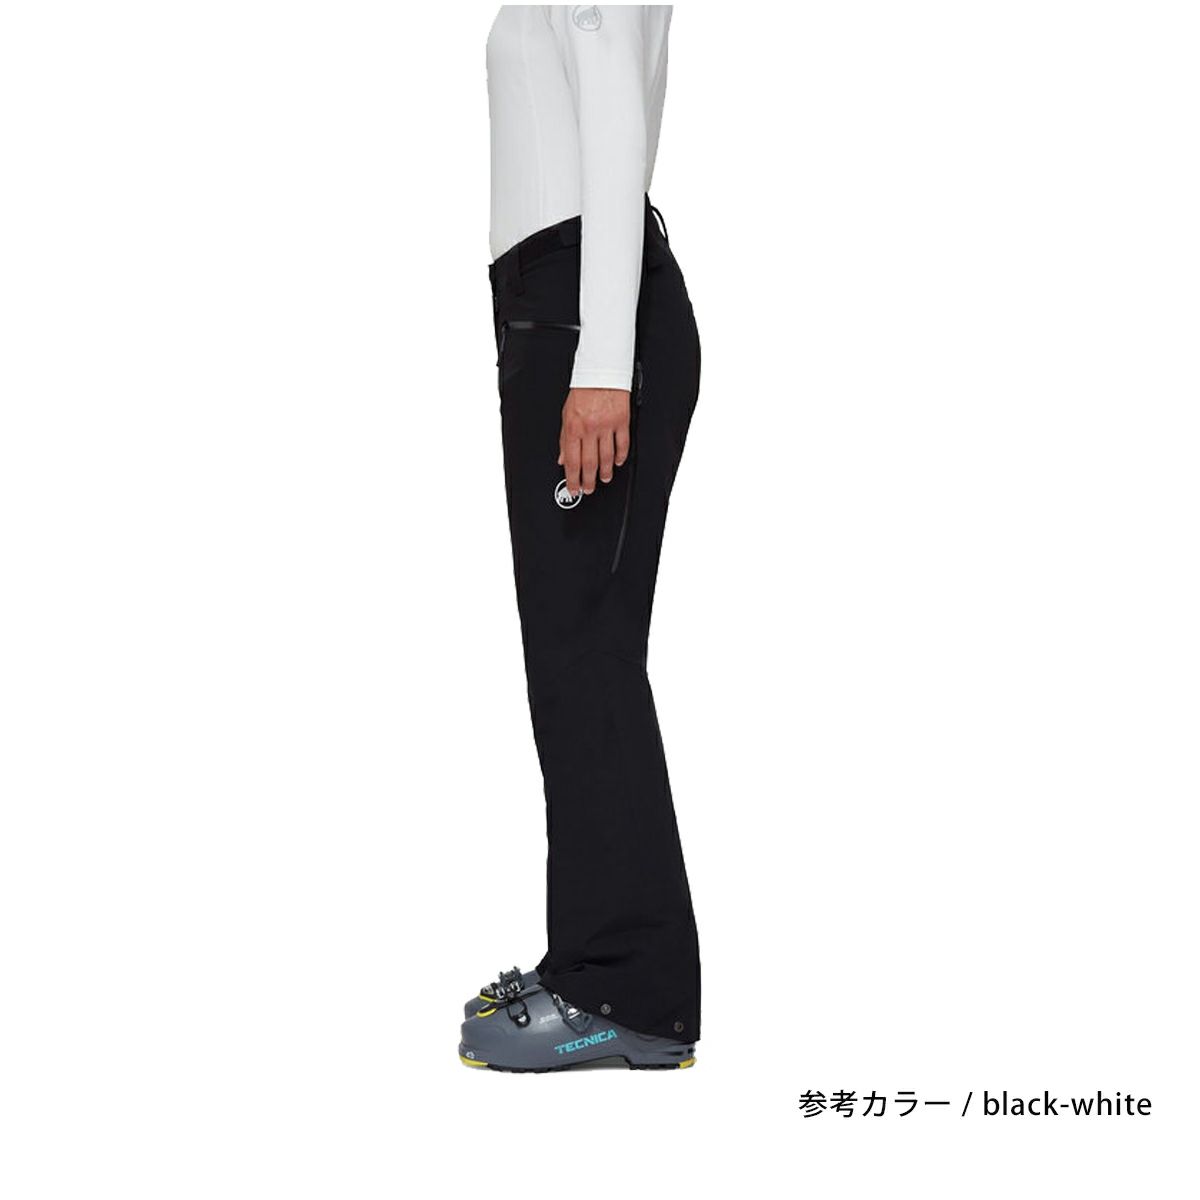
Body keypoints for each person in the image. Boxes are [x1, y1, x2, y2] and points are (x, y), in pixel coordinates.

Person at [459, 4, 702, 1073]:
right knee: (574, 659)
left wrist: (601, 364)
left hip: (585, 320)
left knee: (585, 658)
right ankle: (598, 970)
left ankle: (628, 992)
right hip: (556, 310)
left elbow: (614, 119)